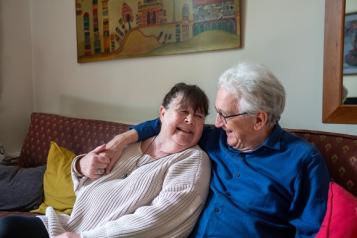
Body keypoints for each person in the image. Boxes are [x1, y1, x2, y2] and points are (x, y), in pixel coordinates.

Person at [105, 63, 330, 237]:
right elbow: (170, 123)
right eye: (217, 113)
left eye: (225, 115)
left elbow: (310, 232)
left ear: (259, 120)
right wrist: (125, 138)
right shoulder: (215, 138)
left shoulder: (303, 161)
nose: (219, 123)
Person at [0, 83, 211, 238]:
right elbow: (84, 186)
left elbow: (161, 217)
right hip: (71, 225)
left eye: (199, 116)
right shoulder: (127, 144)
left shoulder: (193, 160)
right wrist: (80, 167)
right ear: (162, 114)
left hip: (105, 236)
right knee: (8, 228)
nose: (190, 120)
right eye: (183, 111)